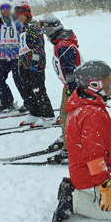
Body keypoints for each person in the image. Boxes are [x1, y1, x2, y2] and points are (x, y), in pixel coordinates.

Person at [52, 60, 111, 222]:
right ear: (94, 85)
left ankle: (77, 190)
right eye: (107, 82)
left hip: (98, 169)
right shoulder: (92, 114)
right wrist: (104, 186)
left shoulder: (86, 104)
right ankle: (73, 202)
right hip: (90, 174)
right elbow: (93, 155)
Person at [41, 15, 83, 162]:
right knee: (66, 115)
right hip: (70, 85)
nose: (45, 34)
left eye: (46, 31)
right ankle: (67, 138)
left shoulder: (62, 45)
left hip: (74, 86)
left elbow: (70, 70)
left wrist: (72, 89)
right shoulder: (60, 42)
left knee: (67, 117)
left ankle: (70, 148)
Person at [14, 2, 55, 125]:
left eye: (20, 14)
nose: (18, 17)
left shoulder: (34, 27)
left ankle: (48, 116)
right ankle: (35, 113)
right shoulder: (22, 27)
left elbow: (38, 47)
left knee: (38, 90)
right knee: (27, 90)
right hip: (24, 64)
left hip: (35, 65)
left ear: (27, 14)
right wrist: (21, 63)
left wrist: (35, 62)